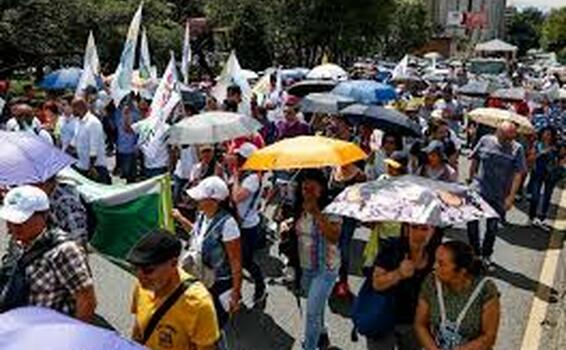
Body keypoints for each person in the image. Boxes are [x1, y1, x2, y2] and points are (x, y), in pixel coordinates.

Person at [0, 186, 96, 321]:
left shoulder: (65, 251)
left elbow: (86, 301)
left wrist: (75, 335)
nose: (13, 228)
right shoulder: (18, 243)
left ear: (44, 216)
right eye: (10, 221)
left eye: (21, 221)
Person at [128, 229, 220, 350]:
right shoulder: (142, 286)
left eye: (148, 270)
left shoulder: (199, 303)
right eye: (136, 268)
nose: (140, 276)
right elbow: (138, 329)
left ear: (173, 263)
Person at [174, 176, 243, 328]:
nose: (196, 201)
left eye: (200, 198)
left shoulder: (228, 224)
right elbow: (197, 234)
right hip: (202, 278)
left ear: (215, 201)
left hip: (220, 284)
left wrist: (235, 293)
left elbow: (236, 262)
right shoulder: (202, 214)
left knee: (214, 324)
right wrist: (180, 218)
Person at [285, 170, 342, 350]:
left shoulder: (332, 208)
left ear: (322, 189)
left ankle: (309, 347)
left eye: (312, 188)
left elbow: (334, 237)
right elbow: (298, 233)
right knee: (316, 306)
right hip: (305, 266)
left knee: (311, 313)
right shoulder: (298, 208)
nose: (307, 192)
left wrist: (317, 212)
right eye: (304, 188)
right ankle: (322, 331)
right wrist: (286, 226)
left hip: (326, 269)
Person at [368, 224, 442, 350]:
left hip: (415, 324)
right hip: (384, 317)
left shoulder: (438, 255)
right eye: (414, 227)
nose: (418, 234)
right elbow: (377, 284)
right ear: (407, 228)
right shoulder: (392, 248)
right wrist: (399, 274)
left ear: (432, 231)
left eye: (424, 229)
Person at [414, 241, 500, 350]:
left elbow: (489, 337)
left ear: (461, 271)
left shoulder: (486, 290)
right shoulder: (431, 282)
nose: (434, 266)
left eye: (441, 264)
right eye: (435, 261)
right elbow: (420, 324)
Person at [467, 121, 526, 266]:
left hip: (499, 195)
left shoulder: (517, 149)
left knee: (492, 228)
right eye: (505, 137)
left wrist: (511, 197)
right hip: (478, 190)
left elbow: (519, 174)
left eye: (511, 137)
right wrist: (471, 179)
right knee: (471, 223)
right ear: (497, 132)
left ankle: (486, 254)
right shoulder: (485, 140)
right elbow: (475, 159)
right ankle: (475, 252)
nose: (508, 140)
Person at [230, 143, 267, 306]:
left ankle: (261, 286)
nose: (235, 159)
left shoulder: (252, 178)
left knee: (246, 261)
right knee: (234, 258)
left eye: (239, 156)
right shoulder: (243, 174)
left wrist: (235, 177)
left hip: (248, 226)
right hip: (237, 223)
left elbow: (237, 197)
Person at [328, 163, 366, 299]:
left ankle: (343, 281)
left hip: (347, 216)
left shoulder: (358, 174)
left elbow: (361, 195)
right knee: (331, 247)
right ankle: (332, 280)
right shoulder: (333, 169)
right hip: (332, 215)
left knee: (343, 248)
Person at [70, 98, 111, 184]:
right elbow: (74, 143)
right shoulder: (78, 122)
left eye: (73, 108)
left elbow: (94, 149)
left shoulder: (93, 123)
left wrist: (91, 168)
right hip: (82, 166)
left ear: (80, 108)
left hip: (96, 167)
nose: (72, 111)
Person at [528, 126, 562, 226]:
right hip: (537, 173)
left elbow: (561, 158)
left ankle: (542, 218)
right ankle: (531, 217)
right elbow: (531, 158)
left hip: (551, 175)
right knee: (535, 196)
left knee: (547, 196)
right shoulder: (536, 144)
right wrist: (539, 154)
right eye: (545, 133)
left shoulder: (556, 146)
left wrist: (559, 166)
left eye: (549, 134)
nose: (546, 136)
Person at [112, 101, 139, 183]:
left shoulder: (134, 114)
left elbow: (130, 130)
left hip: (130, 148)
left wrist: (126, 116)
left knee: (130, 175)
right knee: (125, 173)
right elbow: (114, 126)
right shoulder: (117, 112)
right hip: (120, 147)